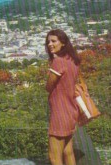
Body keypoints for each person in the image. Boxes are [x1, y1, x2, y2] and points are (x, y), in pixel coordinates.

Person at [45, 29, 81, 165]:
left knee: (54, 156)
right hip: (71, 111)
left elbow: (48, 87)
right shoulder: (73, 61)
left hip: (59, 114)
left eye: (53, 41)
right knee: (68, 152)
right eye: (48, 41)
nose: (50, 44)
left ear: (63, 43)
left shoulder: (58, 62)